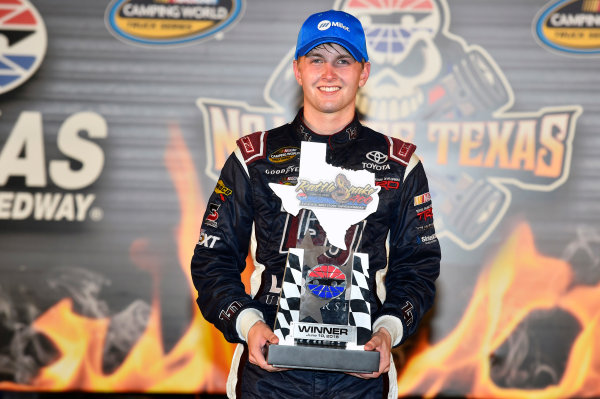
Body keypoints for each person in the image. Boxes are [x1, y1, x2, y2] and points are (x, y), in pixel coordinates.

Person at [191, 9, 441, 399]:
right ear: (297, 69)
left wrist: (387, 330)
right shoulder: (253, 158)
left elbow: (418, 266)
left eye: (343, 60)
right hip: (269, 372)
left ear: (364, 72)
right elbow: (213, 258)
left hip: (361, 373)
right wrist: (248, 324)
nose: (329, 73)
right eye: (316, 59)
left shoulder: (399, 164)